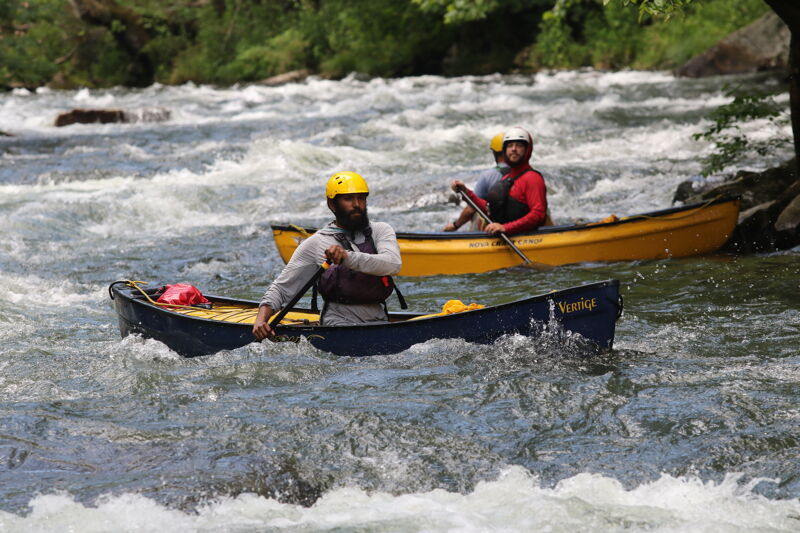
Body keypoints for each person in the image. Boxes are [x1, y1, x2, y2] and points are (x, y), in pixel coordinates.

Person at [253, 171, 402, 340]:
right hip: (338, 325)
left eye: (361, 198)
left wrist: (347, 257)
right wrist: (261, 320)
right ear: (332, 204)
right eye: (348, 199)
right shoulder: (316, 243)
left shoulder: (381, 231)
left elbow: (393, 264)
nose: (357, 204)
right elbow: (282, 289)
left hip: (379, 320)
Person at [451, 126, 547, 236]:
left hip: (523, 239)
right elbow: (490, 209)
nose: (514, 149)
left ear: (527, 150)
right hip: (504, 237)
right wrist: (466, 192)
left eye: (519, 145)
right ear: (504, 150)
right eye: (510, 146)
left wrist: (506, 228)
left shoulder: (532, 178)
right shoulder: (506, 178)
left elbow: (538, 214)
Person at [443, 132, 509, 231]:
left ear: (494, 152)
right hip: (518, 224)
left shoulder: (488, 176)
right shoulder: (525, 173)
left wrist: (455, 225)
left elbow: (471, 208)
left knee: (477, 214)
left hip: (497, 228)